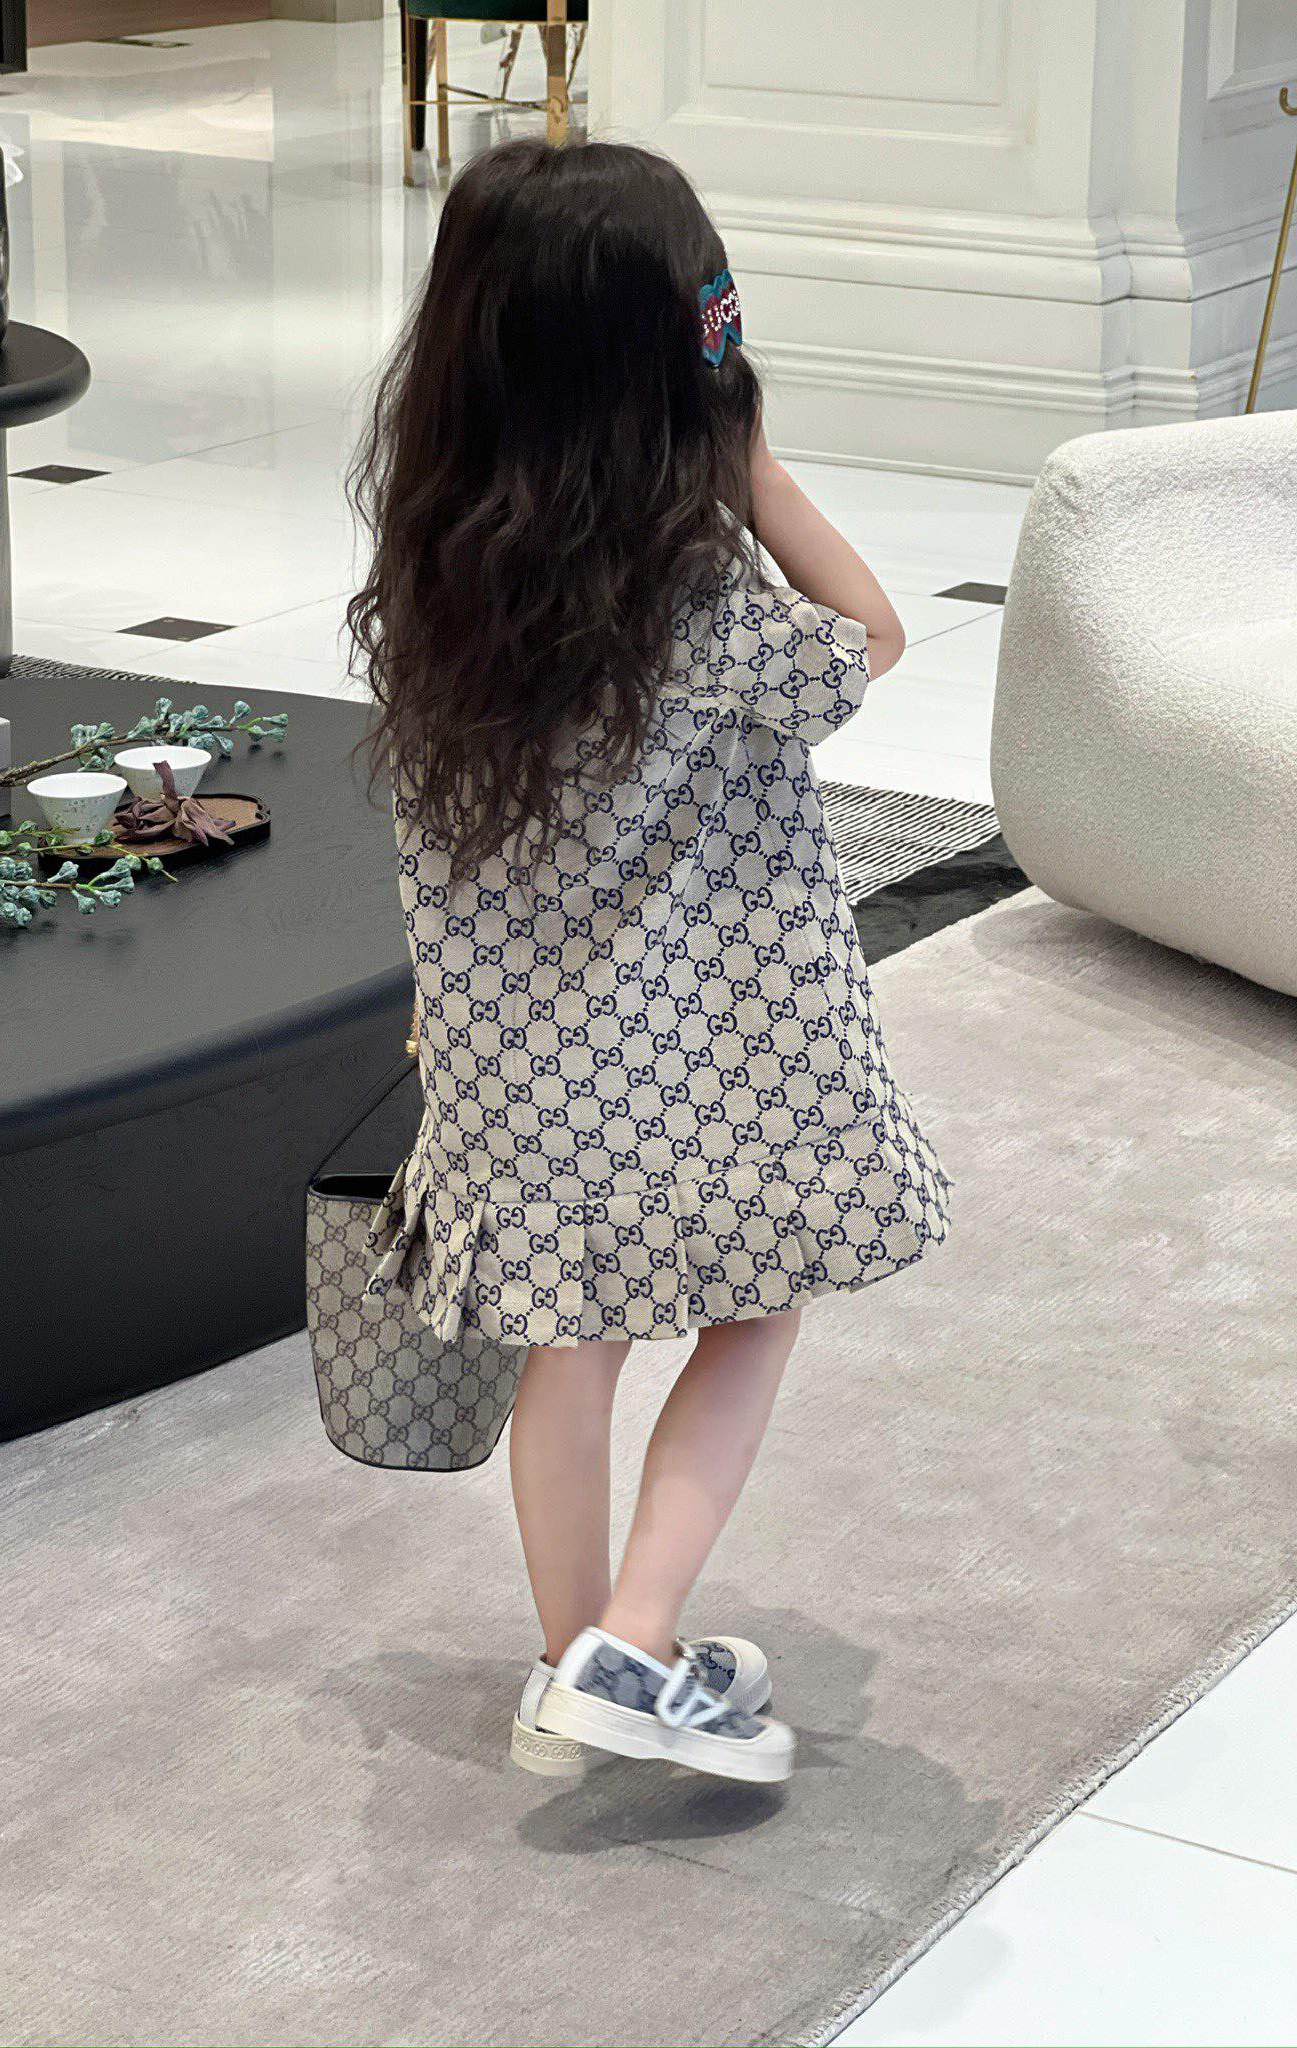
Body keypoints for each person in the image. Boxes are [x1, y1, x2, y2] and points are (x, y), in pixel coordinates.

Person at [349, 137, 950, 1786]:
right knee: (754, 1309)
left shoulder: (434, 570)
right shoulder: (697, 602)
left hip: (511, 1056)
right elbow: (872, 639)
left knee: (572, 1342)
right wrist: (756, 471)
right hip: (698, 1048)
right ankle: (636, 1633)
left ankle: (576, 1669)